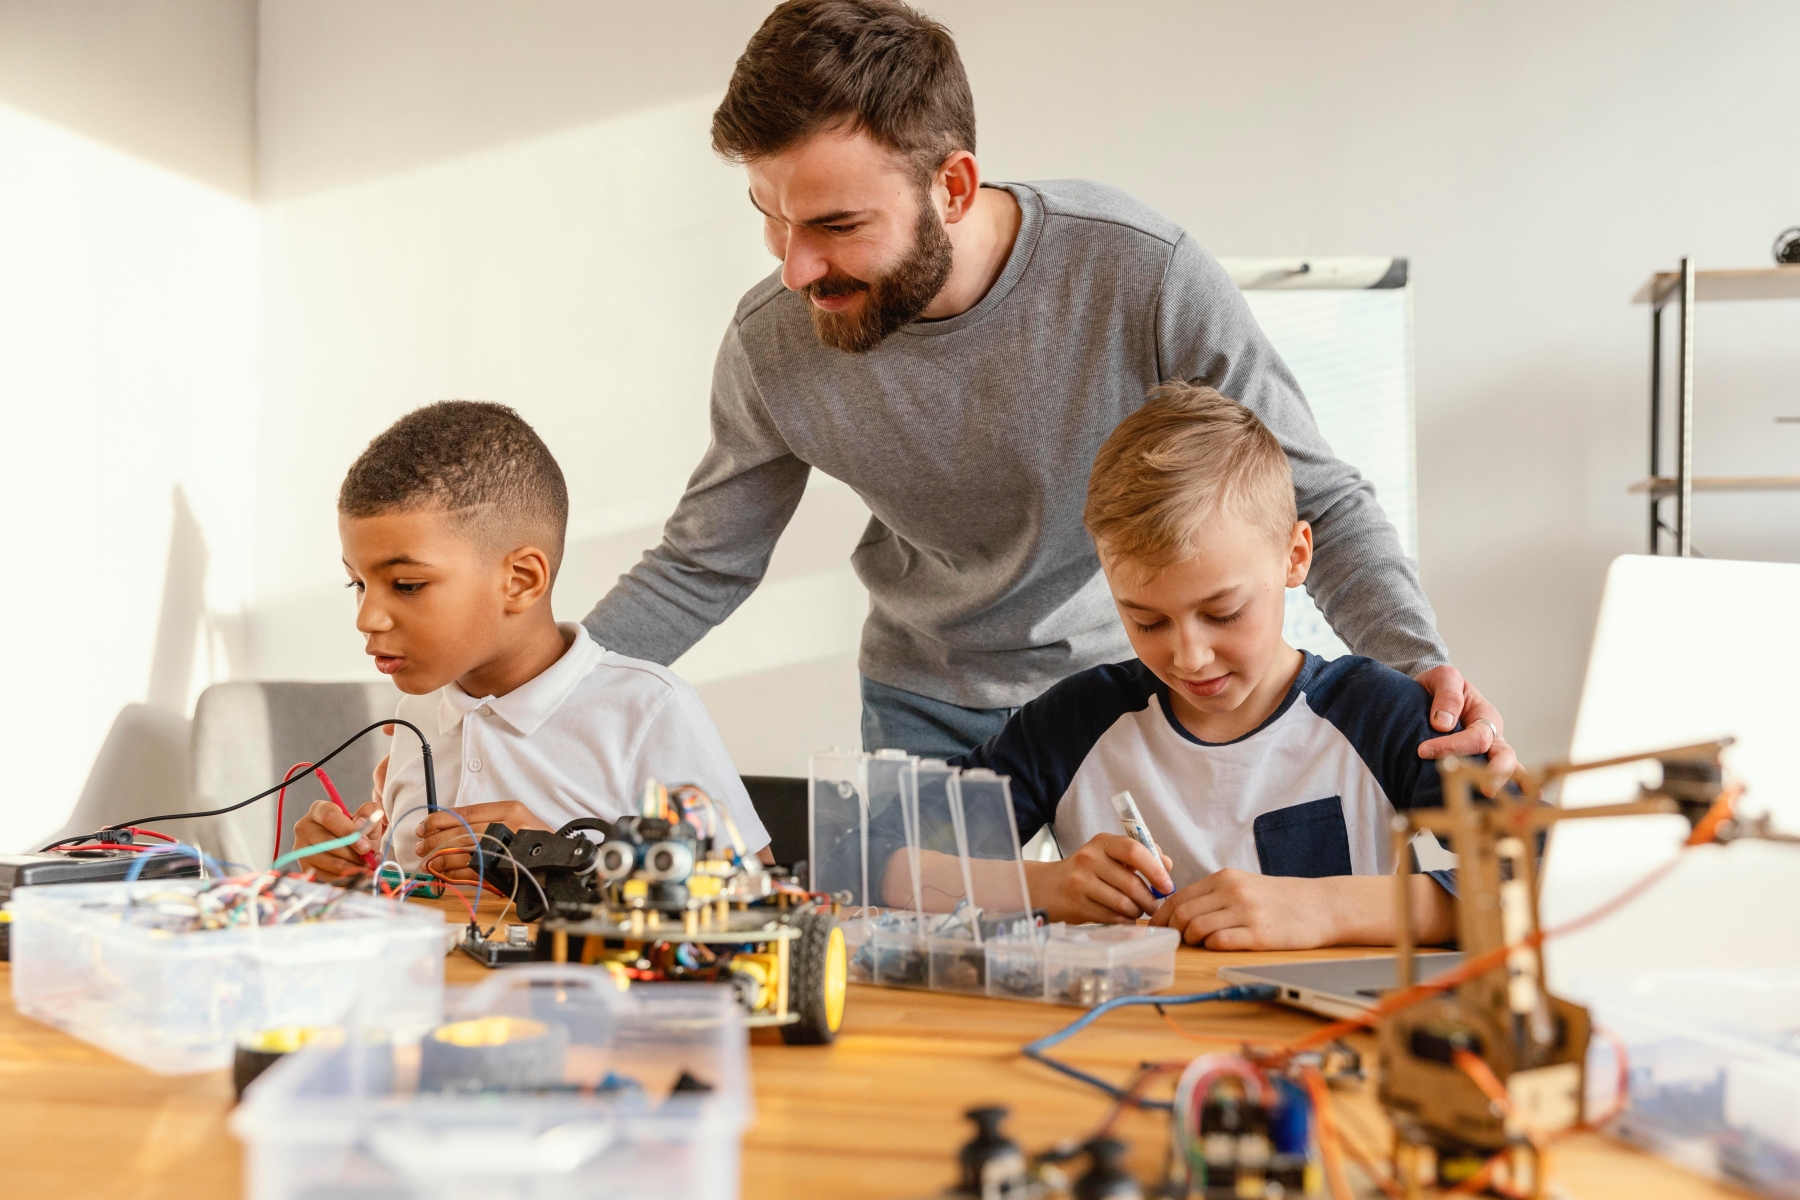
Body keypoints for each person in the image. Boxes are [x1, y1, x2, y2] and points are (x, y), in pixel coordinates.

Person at [581, 0, 1512, 776]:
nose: (795, 269)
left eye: (835, 224)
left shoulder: (1139, 273)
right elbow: (703, 563)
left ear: (952, 185)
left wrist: (1421, 678)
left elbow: (1318, 495)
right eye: (772, 221)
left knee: (1155, 948)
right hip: (923, 701)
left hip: (1134, 691)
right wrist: (534, 696)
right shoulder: (772, 341)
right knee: (938, 967)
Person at [942, 384, 1458, 951]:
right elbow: (862, 853)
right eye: (1147, 622)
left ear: (1295, 557)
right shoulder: (1071, 727)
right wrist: (1037, 885)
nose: (1188, 658)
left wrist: (1327, 908)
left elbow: (1548, 880)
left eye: (1224, 613)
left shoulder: (1382, 718)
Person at [292, 401, 769, 879]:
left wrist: (563, 862)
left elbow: (760, 896)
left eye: (407, 585)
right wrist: (348, 877)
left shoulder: (647, 711)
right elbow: (407, 903)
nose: (367, 619)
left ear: (520, 580)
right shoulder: (415, 720)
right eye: (356, 584)